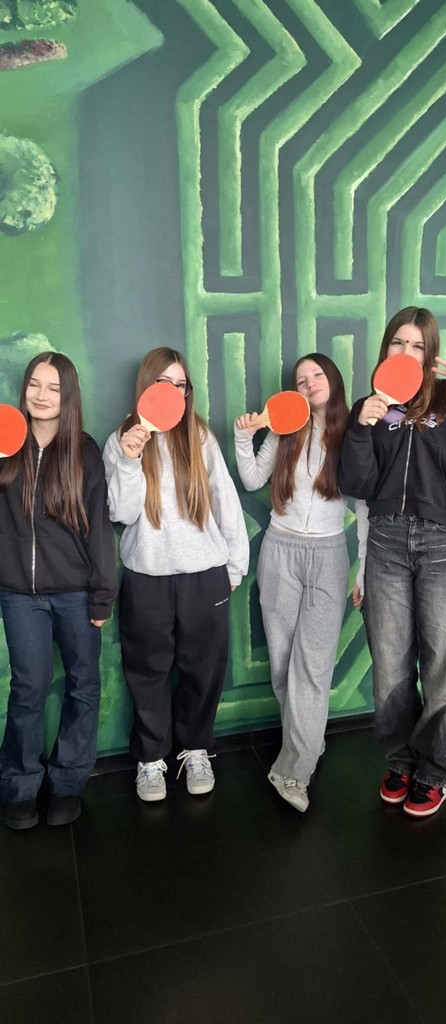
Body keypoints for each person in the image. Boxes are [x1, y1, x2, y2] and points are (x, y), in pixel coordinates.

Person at [339, 306, 446, 818]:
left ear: (431, 351)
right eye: (399, 342)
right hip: (386, 543)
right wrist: (360, 428)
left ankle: (436, 772)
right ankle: (400, 761)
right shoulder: (370, 407)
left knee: (443, 666)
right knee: (390, 666)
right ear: (386, 348)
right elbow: (356, 483)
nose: (407, 352)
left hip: (444, 543)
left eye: (418, 344)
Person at [103, 347, 249, 802]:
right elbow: (121, 513)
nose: (172, 391)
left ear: (188, 392)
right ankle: (151, 758)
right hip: (146, 577)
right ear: (146, 385)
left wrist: (235, 565)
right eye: (162, 382)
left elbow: (225, 500)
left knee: (203, 670)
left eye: (180, 384)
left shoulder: (199, 436)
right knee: (146, 671)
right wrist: (129, 459)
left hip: (205, 575)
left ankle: (196, 748)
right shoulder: (121, 439)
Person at [234, 354, 368, 813]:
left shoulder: (353, 433)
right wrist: (244, 435)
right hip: (280, 551)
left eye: (317, 375)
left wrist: (364, 569)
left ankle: (294, 769)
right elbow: (252, 477)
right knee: (283, 666)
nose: (310, 383)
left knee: (312, 666)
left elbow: (365, 506)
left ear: (333, 379)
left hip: (329, 556)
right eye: (300, 379)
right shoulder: (285, 427)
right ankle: (307, 738)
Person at [0, 353, 117, 830]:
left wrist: (102, 594)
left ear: (69, 395)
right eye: (34, 384)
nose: (41, 395)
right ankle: (20, 784)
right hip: (18, 594)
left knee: (83, 685)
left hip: (75, 593)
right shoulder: (6, 445)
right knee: (27, 688)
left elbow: (99, 529)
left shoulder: (84, 452)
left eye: (53, 387)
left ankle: (68, 783)